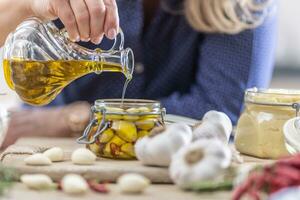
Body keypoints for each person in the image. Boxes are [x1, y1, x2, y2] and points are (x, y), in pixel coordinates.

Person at [0, 0, 276, 148]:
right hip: (48, 150)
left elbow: (221, 112)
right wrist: (28, 5)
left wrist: (75, 118)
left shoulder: (239, 4)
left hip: (177, 169)